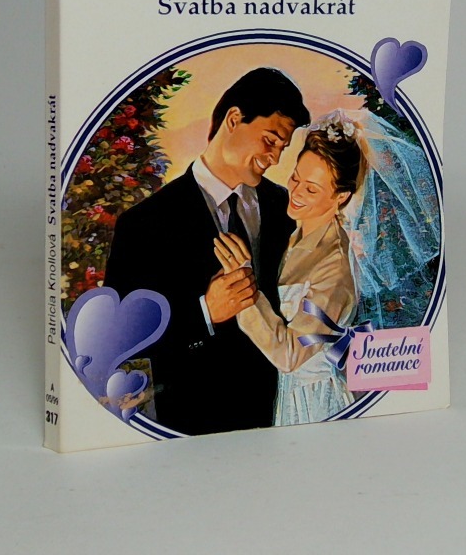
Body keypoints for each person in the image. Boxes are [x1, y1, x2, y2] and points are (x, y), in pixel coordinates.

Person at [103, 67, 310, 436]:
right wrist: (205, 313)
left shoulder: (286, 207)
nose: (275, 158)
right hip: (191, 425)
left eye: (282, 148)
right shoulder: (144, 223)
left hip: (282, 417)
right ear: (234, 119)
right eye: (270, 140)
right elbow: (121, 341)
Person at [213, 112, 364, 425]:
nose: (295, 193)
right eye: (295, 178)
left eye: (311, 189)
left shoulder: (334, 265)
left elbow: (290, 355)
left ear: (341, 197)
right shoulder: (293, 233)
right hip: (287, 394)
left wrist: (243, 288)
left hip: (314, 401)